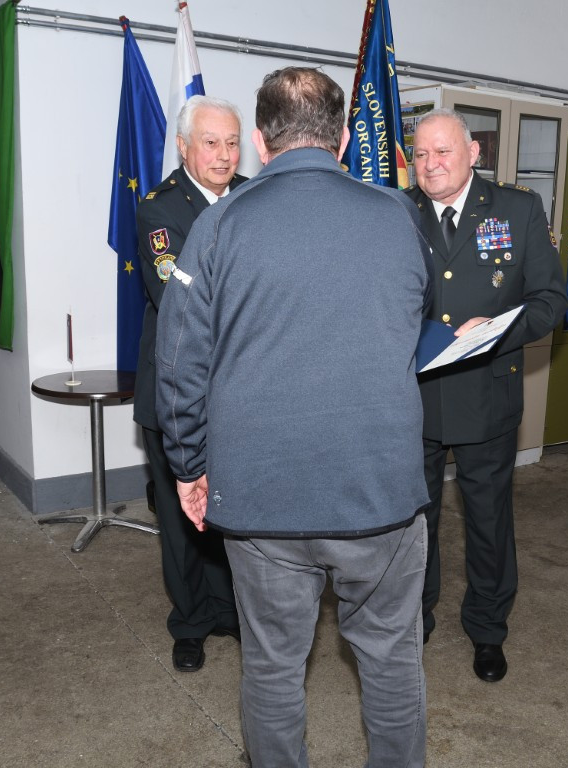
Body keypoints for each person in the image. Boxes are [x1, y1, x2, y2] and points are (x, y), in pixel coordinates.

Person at [157, 67, 432, 767]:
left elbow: (180, 359)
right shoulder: (399, 214)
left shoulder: (219, 225)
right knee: (391, 660)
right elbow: (416, 315)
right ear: (341, 140)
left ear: (259, 141)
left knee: (273, 666)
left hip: (263, 494)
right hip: (381, 491)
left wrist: (189, 465)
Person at [406, 108, 567, 683]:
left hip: (487, 394)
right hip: (414, 396)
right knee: (413, 520)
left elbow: (550, 301)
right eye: (420, 154)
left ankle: (488, 627)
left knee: (488, 519)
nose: (431, 164)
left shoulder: (517, 209)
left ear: (474, 153)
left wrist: (500, 329)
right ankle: (414, 617)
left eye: (443, 151)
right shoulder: (396, 211)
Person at [134, 95, 246, 672]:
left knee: (231, 510)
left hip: (239, 394)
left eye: (232, 143)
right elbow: (179, 300)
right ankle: (190, 622)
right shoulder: (160, 209)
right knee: (182, 519)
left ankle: (229, 611)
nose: (224, 155)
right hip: (177, 393)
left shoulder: (255, 196)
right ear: (183, 147)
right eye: (211, 142)